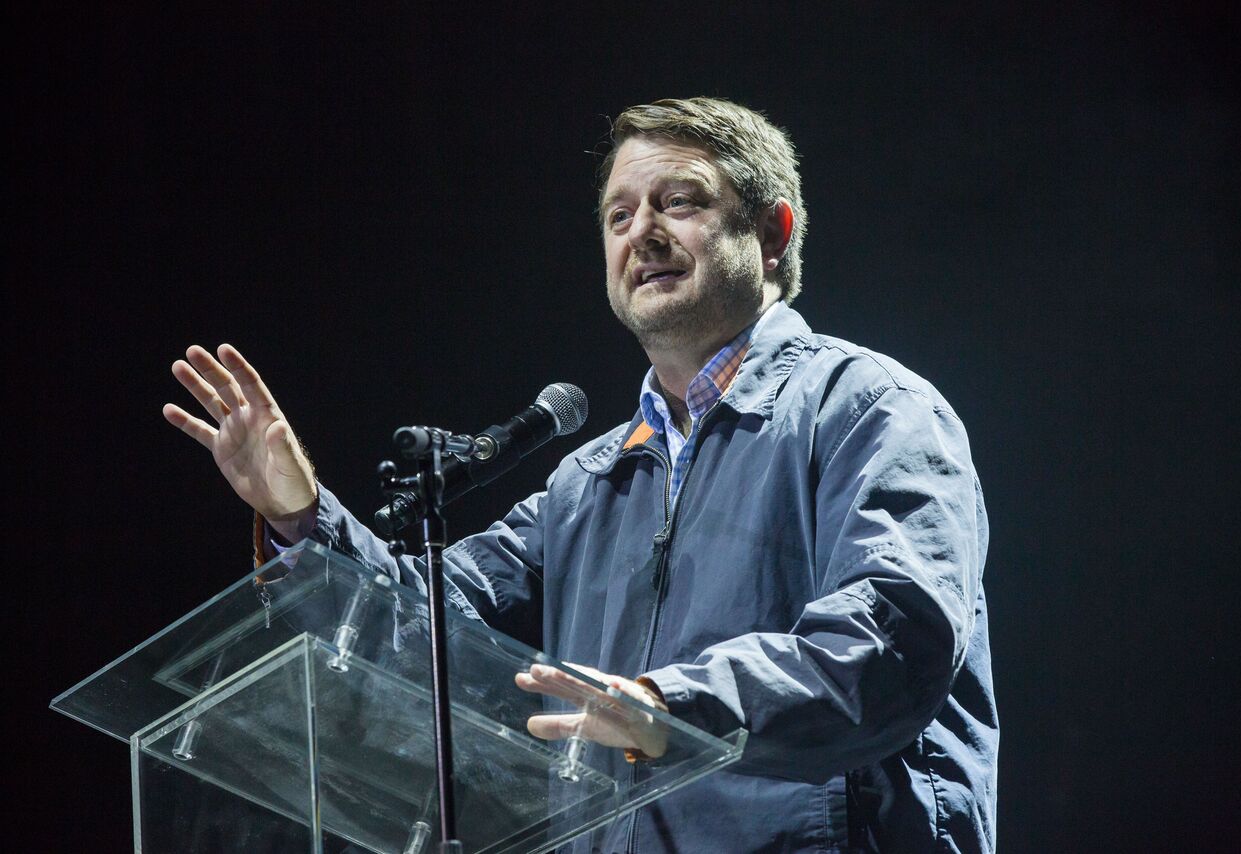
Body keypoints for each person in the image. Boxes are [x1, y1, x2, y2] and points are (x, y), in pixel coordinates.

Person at [164, 97, 998, 853]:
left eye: (680, 202)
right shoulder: (585, 485)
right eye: (619, 216)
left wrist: (670, 707)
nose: (642, 233)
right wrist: (301, 515)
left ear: (773, 233)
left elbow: (891, 641)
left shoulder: (870, 410)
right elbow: (424, 631)